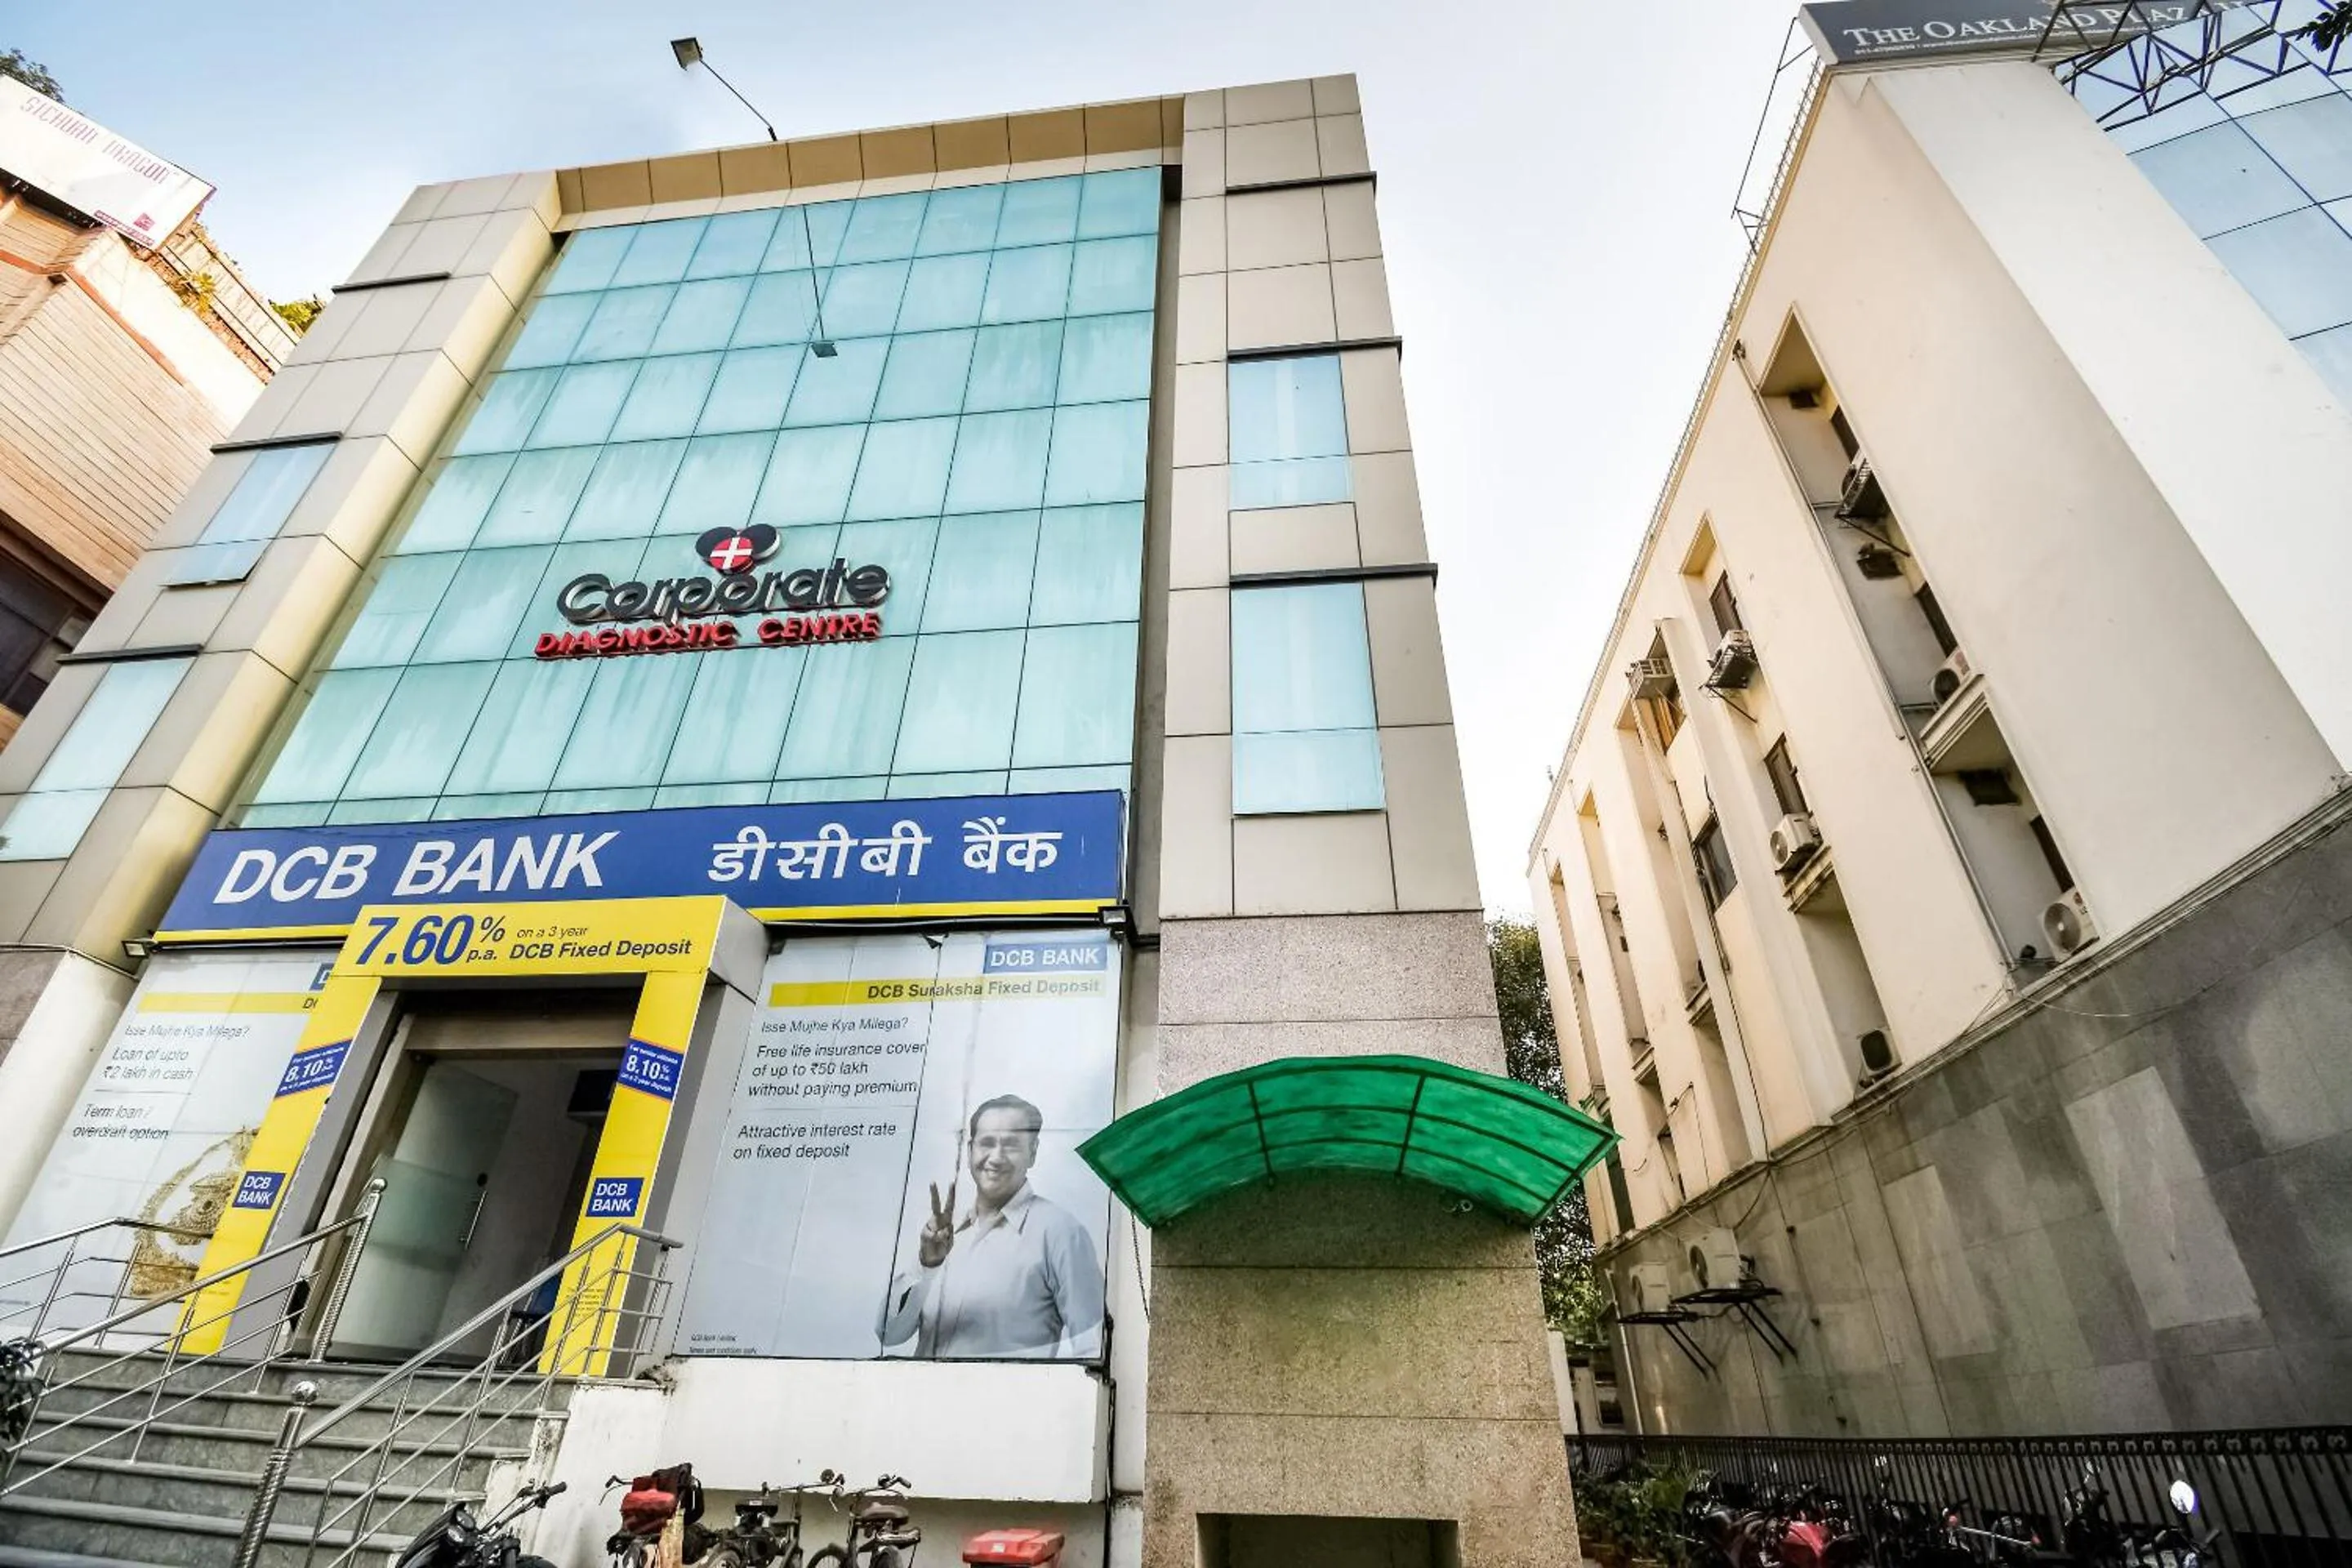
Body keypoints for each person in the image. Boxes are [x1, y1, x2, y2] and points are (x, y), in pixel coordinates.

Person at [877, 1094, 1104, 1358]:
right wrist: (927, 1265)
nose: (996, 1158)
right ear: (970, 1150)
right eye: (986, 1143)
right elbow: (889, 1334)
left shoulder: (1060, 1232)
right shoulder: (943, 1234)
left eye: (1011, 1145)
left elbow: (1092, 1346)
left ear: (1032, 1153)